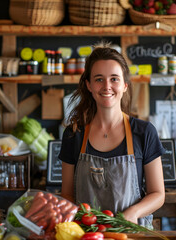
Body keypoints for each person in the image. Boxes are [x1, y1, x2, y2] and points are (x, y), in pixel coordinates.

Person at [59, 42, 165, 228]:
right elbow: (67, 194)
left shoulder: (144, 132)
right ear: (89, 85)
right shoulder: (74, 134)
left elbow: (158, 194)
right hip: (88, 235)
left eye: (114, 79)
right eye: (99, 79)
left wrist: (133, 213)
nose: (107, 86)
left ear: (124, 85)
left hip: (131, 234)